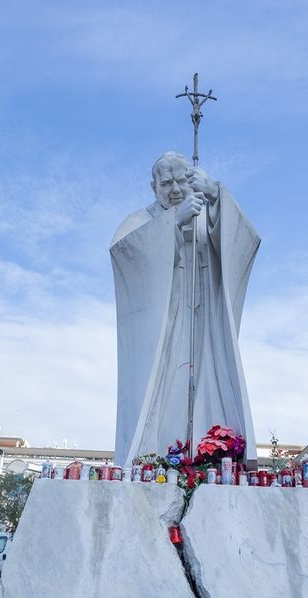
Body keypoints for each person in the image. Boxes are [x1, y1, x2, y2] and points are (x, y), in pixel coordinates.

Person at [111, 152, 259, 466]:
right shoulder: (140, 221)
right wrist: (171, 225)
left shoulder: (205, 210)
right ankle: (154, 458)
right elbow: (124, 253)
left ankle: (213, 454)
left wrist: (216, 194)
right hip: (163, 323)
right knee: (162, 390)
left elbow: (244, 238)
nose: (175, 189)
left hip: (205, 320)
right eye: (166, 183)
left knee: (209, 379)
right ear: (153, 186)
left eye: (182, 180)